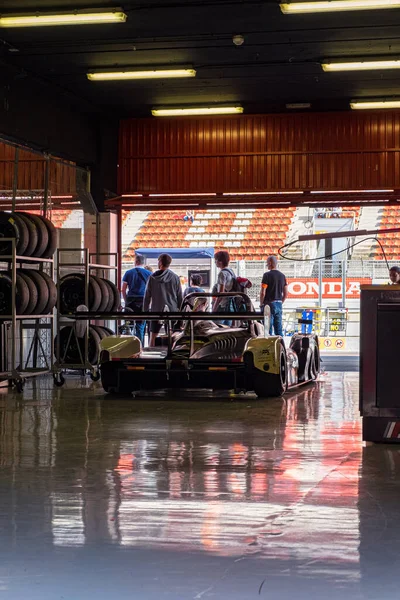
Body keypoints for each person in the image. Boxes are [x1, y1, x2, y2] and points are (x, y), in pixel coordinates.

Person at [143, 253, 183, 346]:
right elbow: (179, 296)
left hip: (156, 310)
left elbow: (147, 296)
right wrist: (180, 312)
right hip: (172, 311)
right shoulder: (175, 277)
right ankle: (170, 356)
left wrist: (145, 311)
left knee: (153, 336)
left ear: (160, 262)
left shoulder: (152, 278)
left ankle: (152, 356)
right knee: (171, 336)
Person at [121, 254, 151, 344]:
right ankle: (139, 347)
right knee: (140, 327)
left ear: (136, 261)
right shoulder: (149, 274)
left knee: (128, 326)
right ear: (143, 262)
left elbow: (123, 289)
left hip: (130, 302)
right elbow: (151, 290)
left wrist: (126, 301)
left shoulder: (128, 273)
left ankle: (127, 347)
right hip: (143, 301)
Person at [260, 255, 288, 336]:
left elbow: (263, 292)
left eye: (267, 263)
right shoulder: (282, 276)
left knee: (267, 330)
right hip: (279, 304)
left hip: (268, 305)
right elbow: (286, 293)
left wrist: (262, 304)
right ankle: (280, 347)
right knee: (278, 330)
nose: (266, 265)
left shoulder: (266, 275)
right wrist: (280, 302)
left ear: (270, 263)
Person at [212, 250, 237, 326]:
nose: (215, 262)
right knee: (227, 328)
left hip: (222, 305)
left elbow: (221, 293)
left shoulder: (222, 273)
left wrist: (214, 308)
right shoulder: (231, 271)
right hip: (230, 304)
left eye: (215, 260)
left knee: (216, 327)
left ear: (220, 261)